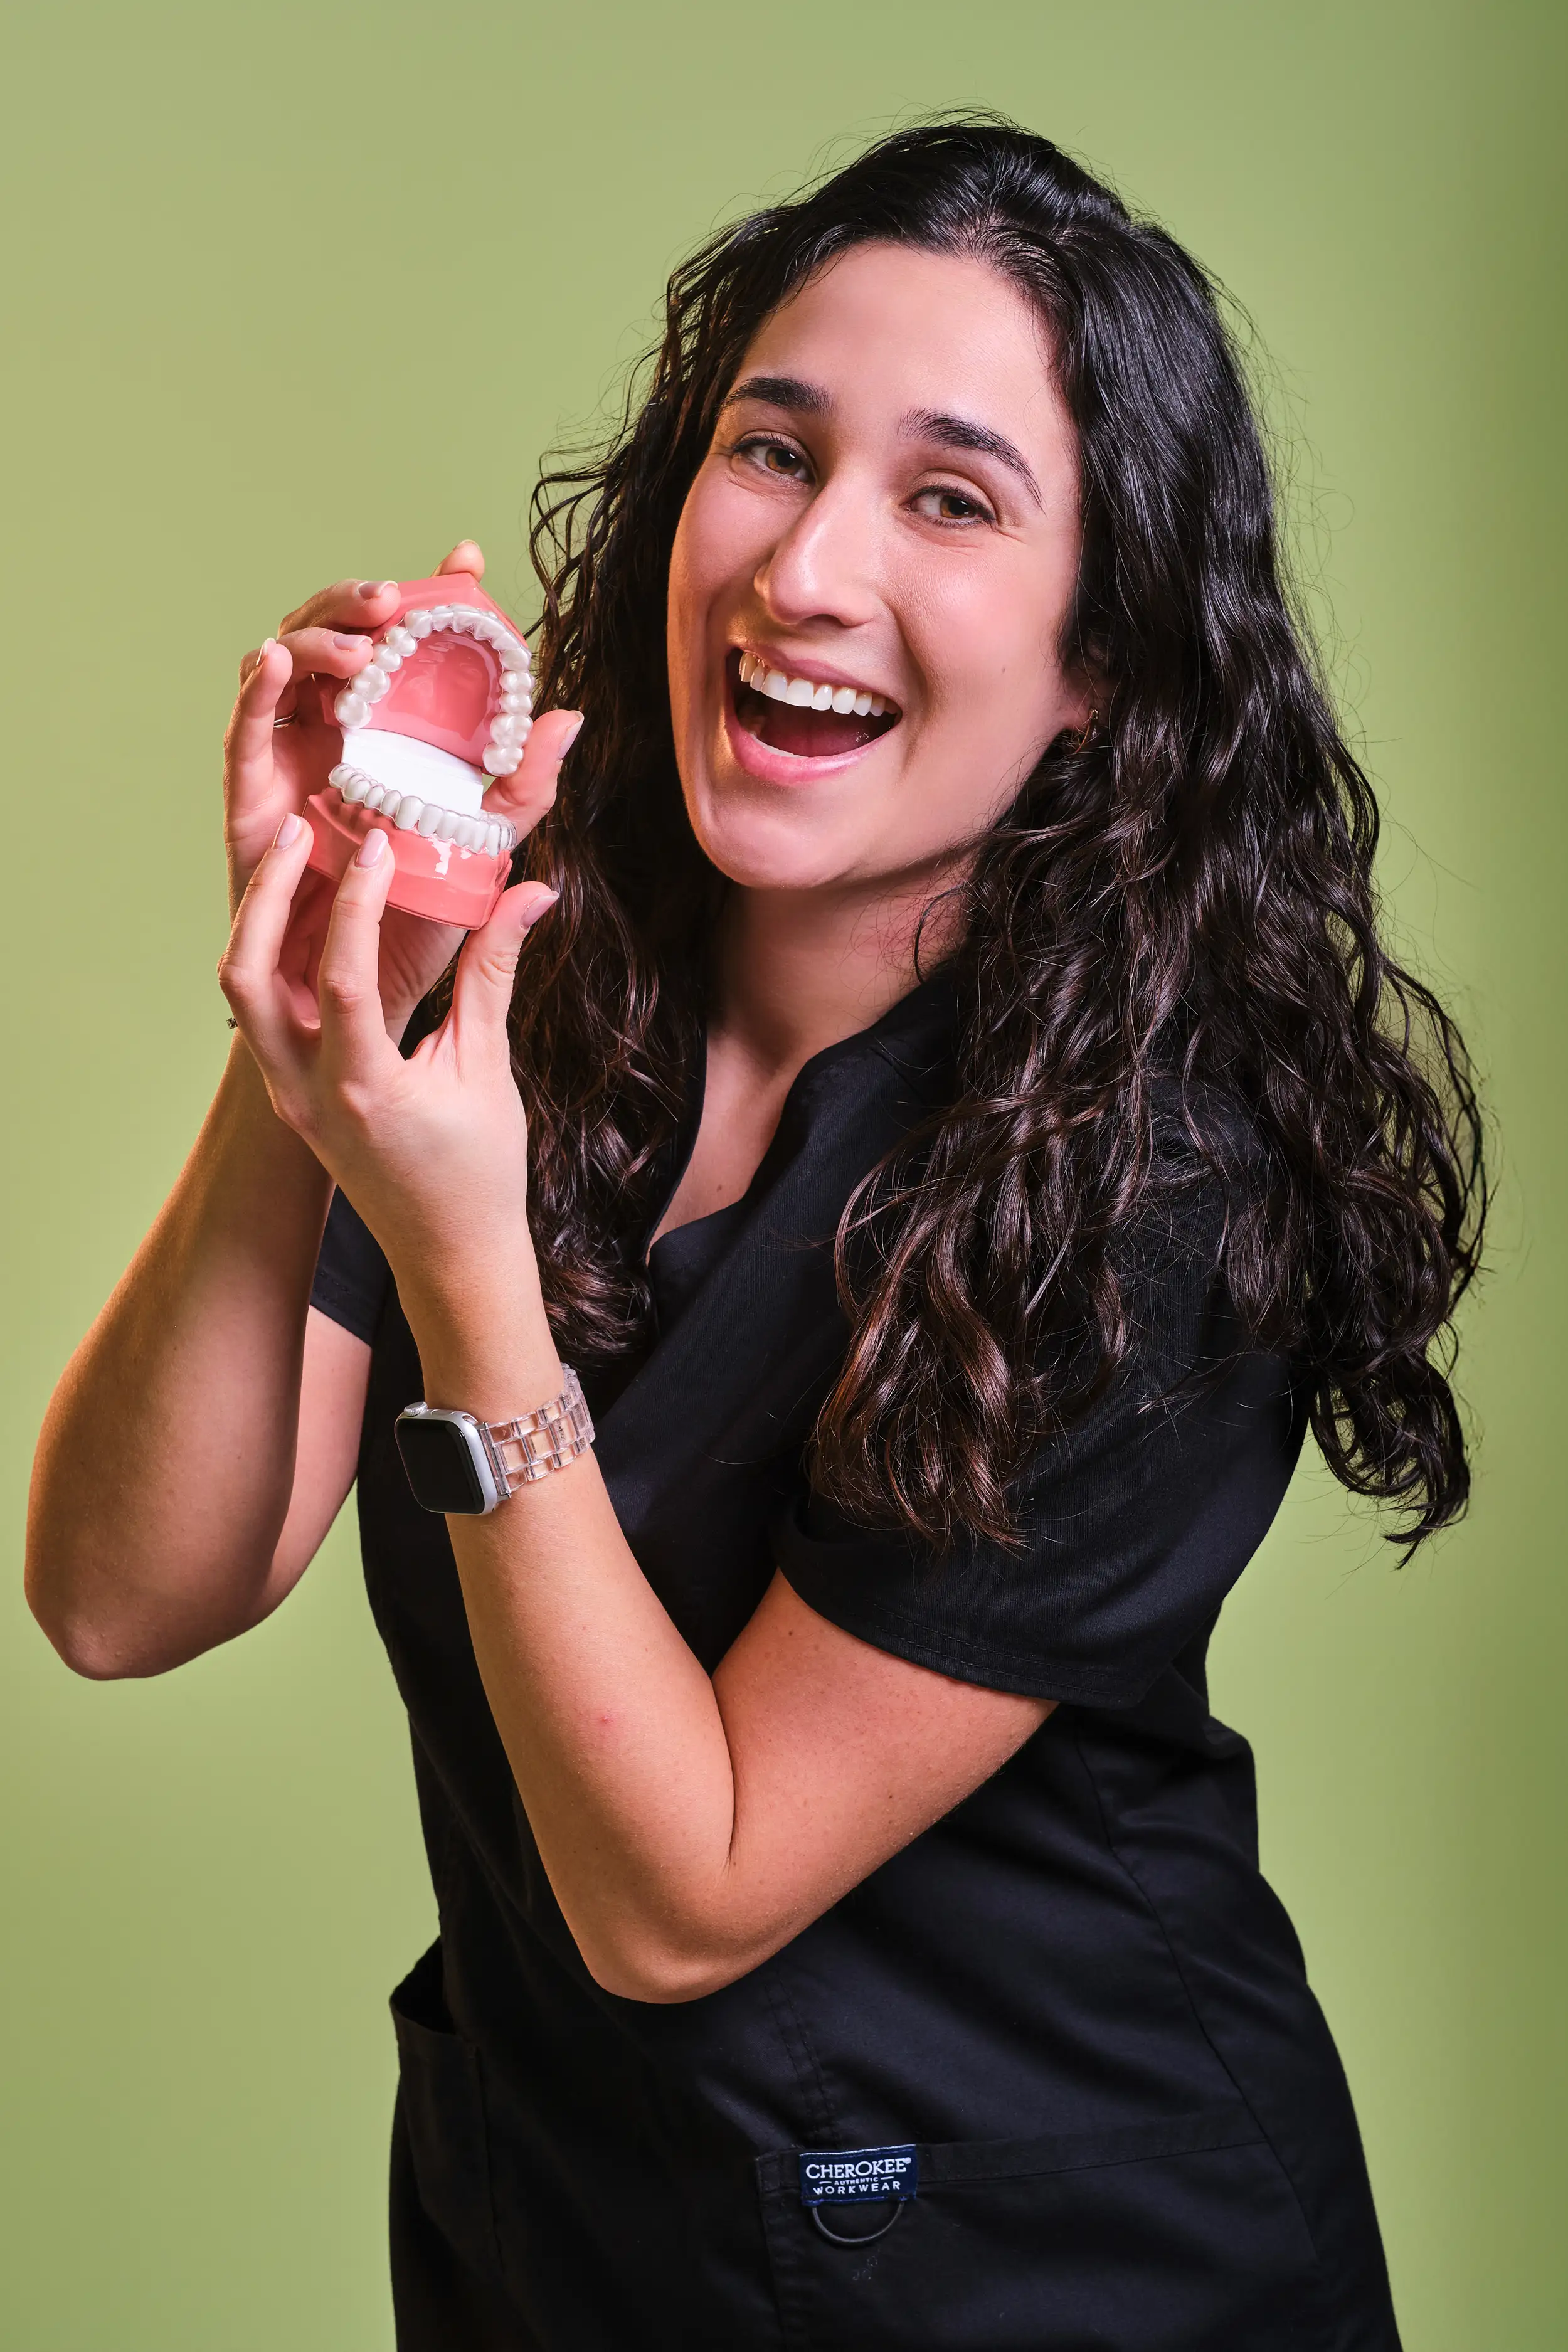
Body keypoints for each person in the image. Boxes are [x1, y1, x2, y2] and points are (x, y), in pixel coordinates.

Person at [26, 119, 1485, 2350]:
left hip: (1053, 2272)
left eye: (949, 497)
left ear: (1100, 656)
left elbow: (679, 1895)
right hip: (579, 2245)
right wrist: (325, 996)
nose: (804, 567)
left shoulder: (1167, 1190)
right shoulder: (546, 986)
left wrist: (463, 1267)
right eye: (768, 451)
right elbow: (132, 1590)